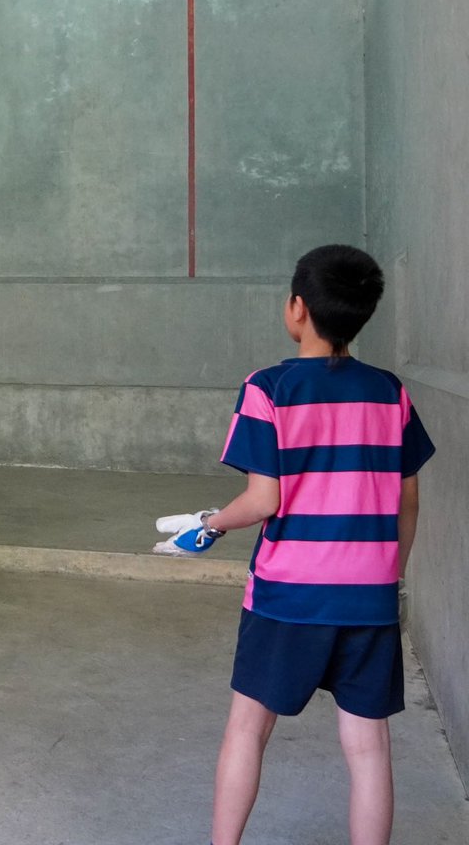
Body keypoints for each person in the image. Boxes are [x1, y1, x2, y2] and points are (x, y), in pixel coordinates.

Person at [155, 244, 435, 845]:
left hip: (288, 596)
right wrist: (388, 573)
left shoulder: (268, 389)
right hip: (369, 598)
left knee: (247, 730)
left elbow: (263, 501)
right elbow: (407, 503)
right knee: (368, 748)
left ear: (297, 308)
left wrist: (209, 524)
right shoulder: (391, 393)